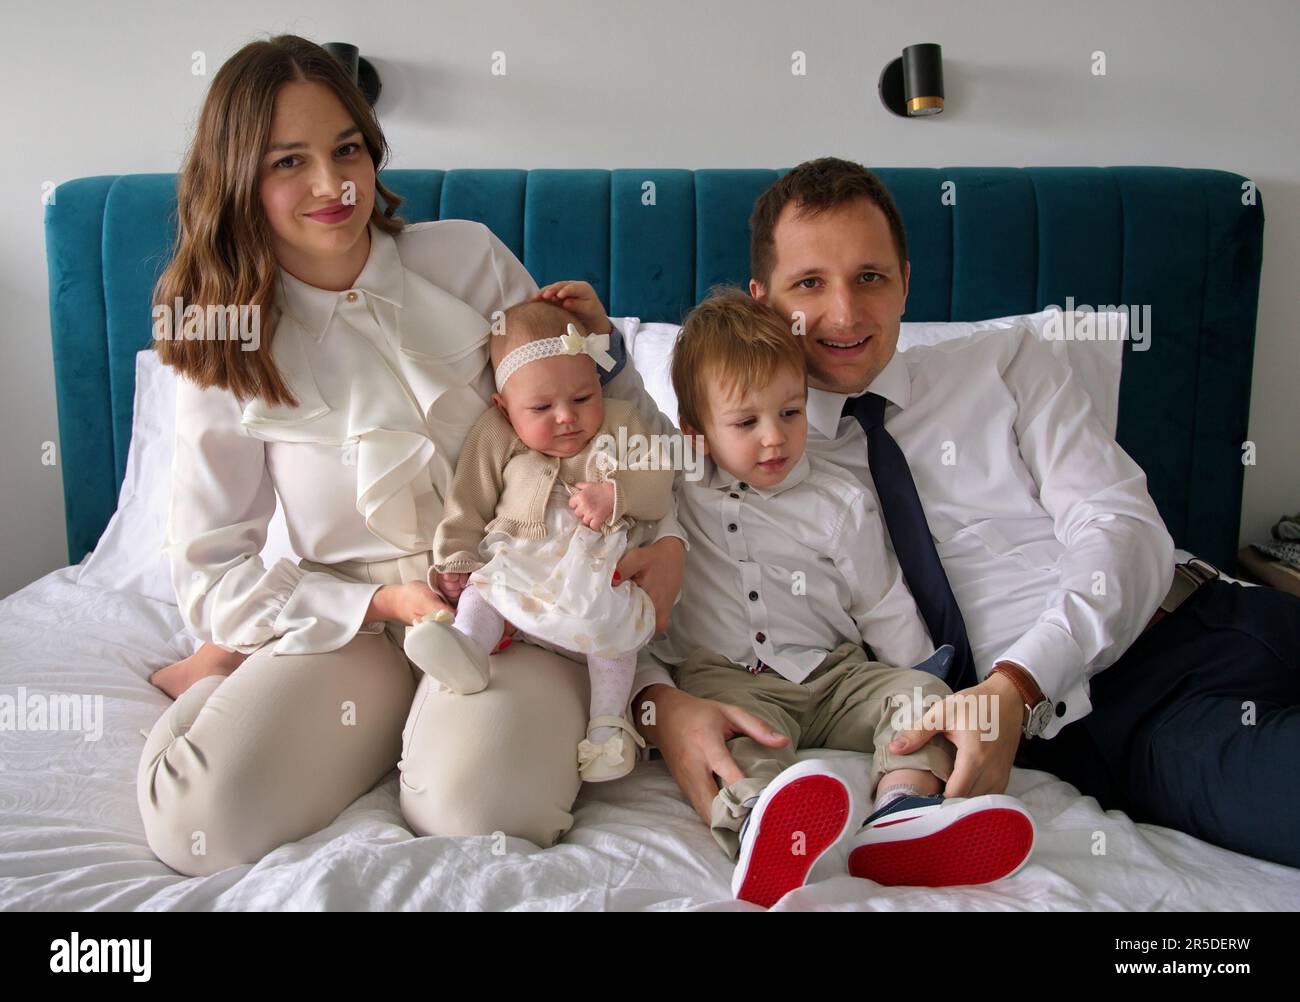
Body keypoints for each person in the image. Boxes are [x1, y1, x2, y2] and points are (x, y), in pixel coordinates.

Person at [632, 156, 1300, 870]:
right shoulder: (734, 457)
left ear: (906, 282)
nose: (846, 313)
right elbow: (596, 516)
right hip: (1132, 722)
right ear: (766, 302)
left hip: (1198, 623)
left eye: (870, 277)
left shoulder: (1010, 363)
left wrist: (1017, 684)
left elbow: (1122, 527)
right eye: (809, 285)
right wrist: (655, 703)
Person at [139, 34, 685, 876]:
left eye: (347, 148)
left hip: (518, 605)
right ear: (238, 178)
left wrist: (607, 355)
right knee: (197, 822)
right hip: (360, 620)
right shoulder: (228, 343)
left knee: (479, 816)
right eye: (290, 161)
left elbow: (610, 431)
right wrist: (380, 606)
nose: (333, 185)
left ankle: (431, 729)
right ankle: (226, 680)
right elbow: (211, 573)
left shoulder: (467, 260)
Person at [651, 289, 1034, 907]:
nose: (774, 439)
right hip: (727, 681)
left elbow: (881, 601)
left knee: (921, 700)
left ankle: (903, 812)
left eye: (791, 413)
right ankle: (759, 830)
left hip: (834, 675)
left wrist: (920, 675)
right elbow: (623, 420)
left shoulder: (839, 500)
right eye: (746, 423)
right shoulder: (676, 487)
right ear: (695, 433)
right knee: (738, 749)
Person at [410, 300, 674, 782]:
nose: (566, 418)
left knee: (613, 629)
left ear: (600, 385)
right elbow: (466, 501)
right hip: (517, 561)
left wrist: (618, 494)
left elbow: (660, 485)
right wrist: (456, 559)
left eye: (581, 398)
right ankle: (467, 652)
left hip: (593, 568)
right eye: (542, 408)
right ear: (504, 407)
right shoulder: (493, 434)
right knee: (482, 592)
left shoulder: (620, 420)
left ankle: (607, 729)